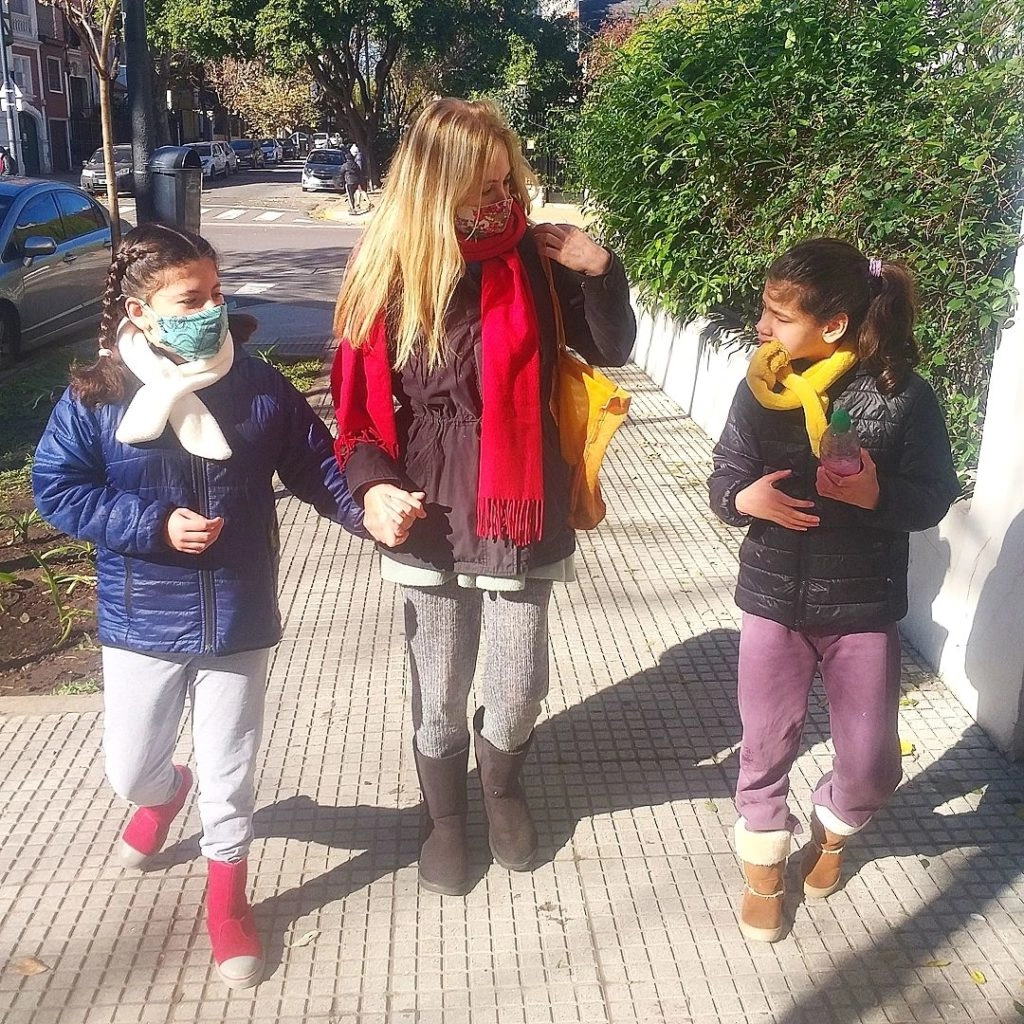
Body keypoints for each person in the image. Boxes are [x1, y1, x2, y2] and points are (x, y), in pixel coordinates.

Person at [32, 223, 364, 988]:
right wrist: (151, 525)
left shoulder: (258, 386)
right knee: (132, 773)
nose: (212, 309)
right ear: (140, 312)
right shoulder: (97, 396)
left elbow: (320, 468)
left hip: (237, 611)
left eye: (216, 291)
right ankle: (165, 795)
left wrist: (372, 515)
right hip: (141, 616)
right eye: (190, 299)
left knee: (230, 772)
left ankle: (228, 902)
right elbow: (58, 488)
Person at [332, 97, 636, 896]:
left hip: (522, 498)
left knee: (518, 682)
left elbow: (610, 348)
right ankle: (445, 819)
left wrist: (599, 270)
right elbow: (358, 414)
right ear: (436, 188)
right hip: (428, 501)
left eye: (507, 183)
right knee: (437, 684)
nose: (502, 201)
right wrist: (373, 488)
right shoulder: (386, 269)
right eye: (483, 188)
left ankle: (501, 788)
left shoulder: (535, 255)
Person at [708, 238, 960, 943]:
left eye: (779, 316)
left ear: (834, 325)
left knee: (872, 764)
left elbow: (935, 493)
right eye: (765, 310)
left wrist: (878, 495)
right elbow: (725, 471)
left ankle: (833, 828)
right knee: (764, 745)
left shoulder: (903, 395)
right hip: (773, 600)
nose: (762, 327)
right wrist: (743, 499)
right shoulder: (760, 388)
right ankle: (764, 869)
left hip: (863, 606)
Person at [340, 148, 362, 214]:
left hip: (349, 182)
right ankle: (353, 207)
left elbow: (341, 172)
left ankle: (352, 209)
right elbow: (359, 171)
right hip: (356, 181)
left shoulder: (345, 165)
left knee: (350, 196)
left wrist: (342, 181)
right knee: (355, 194)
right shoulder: (355, 165)